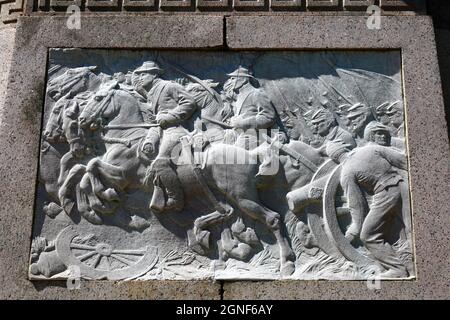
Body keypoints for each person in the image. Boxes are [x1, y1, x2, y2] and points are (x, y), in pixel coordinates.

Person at [326, 122, 409, 277]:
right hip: (403, 186)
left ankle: (398, 270)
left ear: (335, 158)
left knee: (368, 236)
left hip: (386, 195)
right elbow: (405, 161)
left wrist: (355, 228)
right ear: (346, 148)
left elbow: (356, 205)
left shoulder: (346, 172)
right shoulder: (371, 149)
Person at [133, 61, 197, 212]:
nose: (140, 78)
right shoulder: (150, 95)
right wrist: (149, 140)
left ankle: (176, 198)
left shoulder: (169, 86)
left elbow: (190, 102)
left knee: (160, 163)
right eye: (139, 74)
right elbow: (156, 123)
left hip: (176, 131)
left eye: (144, 74)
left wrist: (171, 116)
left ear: (154, 74)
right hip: (161, 133)